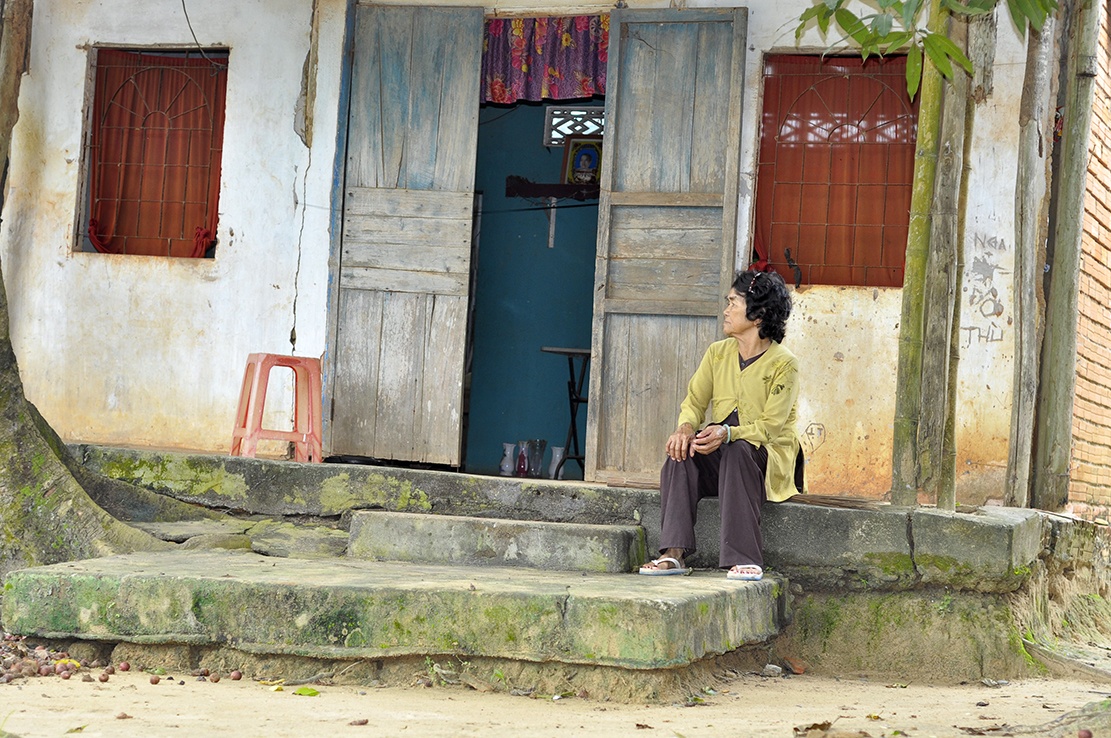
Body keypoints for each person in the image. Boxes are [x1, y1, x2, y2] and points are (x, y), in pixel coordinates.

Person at [640, 270, 805, 580]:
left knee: (738, 450)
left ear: (758, 314)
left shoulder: (784, 363)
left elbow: (770, 427)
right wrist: (686, 428)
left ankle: (745, 558)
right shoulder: (717, 353)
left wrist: (727, 432)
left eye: (733, 302)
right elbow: (694, 401)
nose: (726, 310)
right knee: (681, 452)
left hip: (765, 458)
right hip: (724, 453)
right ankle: (673, 552)